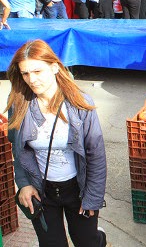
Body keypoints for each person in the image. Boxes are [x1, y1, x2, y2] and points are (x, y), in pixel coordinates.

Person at [5, 39, 107, 247]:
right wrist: (24, 184)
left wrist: (92, 199)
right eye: (25, 73)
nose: (31, 80)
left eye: (37, 71)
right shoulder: (20, 104)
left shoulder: (80, 103)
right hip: (42, 190)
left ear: (54, 67)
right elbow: (19, 151)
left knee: (87, 242)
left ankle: (100, 238)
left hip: (77, 189)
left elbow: (96, 155)